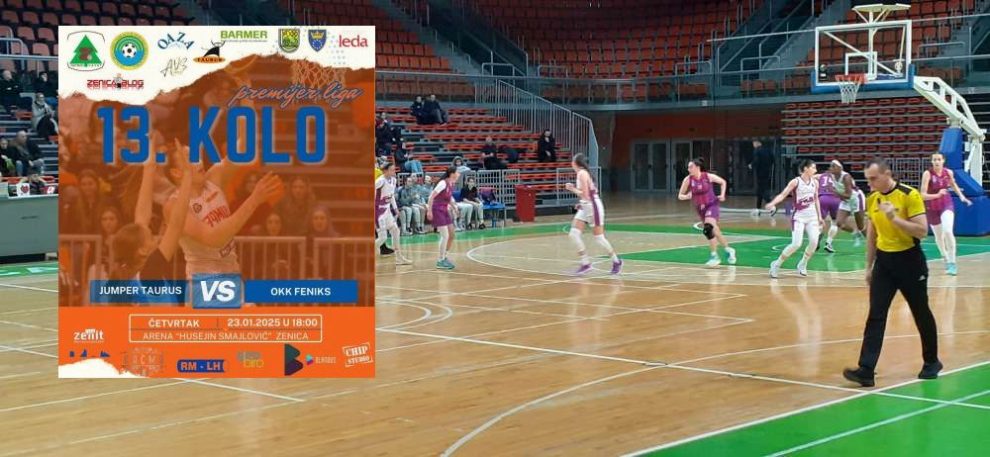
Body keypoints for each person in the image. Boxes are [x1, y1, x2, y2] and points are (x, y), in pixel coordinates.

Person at [843, 158, 941, 387]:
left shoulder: (909, 195)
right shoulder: (872, 199)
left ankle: (932, 362)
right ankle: (866, 369)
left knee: (921, 312)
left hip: (910, 261)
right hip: (884, 263)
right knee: (876, 315)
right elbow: (872, 235)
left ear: (887, 174)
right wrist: (868, 267)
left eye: (874, 179)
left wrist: (894, 219)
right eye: (867, 179)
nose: (870, 183)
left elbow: (922, 231)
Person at [163, 142, 283, 278]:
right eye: (191, 159)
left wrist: (243, 127)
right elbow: (214, 238)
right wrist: (254, 200)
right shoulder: (174, 206)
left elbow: (242, 150)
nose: (199, 161)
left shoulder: (214, 178)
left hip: (231, 273)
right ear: (176, 172)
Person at [564, 153, 622, 275]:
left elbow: (586, 194)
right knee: (573, 234)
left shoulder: (582, 173)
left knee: (599, 238)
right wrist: (581, 204)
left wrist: (572, 188)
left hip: (593, 206)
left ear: (575, 163)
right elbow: (588, 194)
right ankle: (585, 263)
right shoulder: (582, 173)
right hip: (586, 206)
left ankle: (616, 261)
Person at [764, 159, 823, 278]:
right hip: (799, 217)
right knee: (796, 244)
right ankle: (776, 264)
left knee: (814, 242)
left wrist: (820, 216)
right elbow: (783, 194)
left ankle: (803, 263)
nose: (815, 170)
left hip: (812, 217)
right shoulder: (795, 182)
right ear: (805, 168)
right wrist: (772, 203)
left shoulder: (815, 183)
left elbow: (816, 199)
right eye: (813, 167)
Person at [677, 158, 737, 267]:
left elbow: (723, 182)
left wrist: (722, 194)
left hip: (712, 205)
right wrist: (686, 196)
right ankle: (729, 249)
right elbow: (680, 195)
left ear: (697, 167)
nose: (689, 169)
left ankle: (714, 256)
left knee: (708, 228)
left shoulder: (707, 176)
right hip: (701, 209)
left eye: (691, 167)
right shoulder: (688, 180)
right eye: (688, 167)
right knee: (715, 231)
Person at [920, 152, 972, 276]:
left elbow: (954, 185)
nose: (936, 162)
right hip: (932, 207)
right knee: (939, 237)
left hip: (946, 204)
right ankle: (945, 256)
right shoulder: (927, 174)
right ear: (931, 161)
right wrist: (937, 195)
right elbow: (922, 195)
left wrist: (962, 197)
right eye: (934, 160)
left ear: (943, 161)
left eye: (939, 159)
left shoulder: (948, 172)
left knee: (948, 231)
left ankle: (952, 262)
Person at [375, 163, 412, 265]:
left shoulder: (394, 180)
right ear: (385, 171)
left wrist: (395, 209)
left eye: (394, 169)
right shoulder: (380, 181)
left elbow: (391, 196)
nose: (394, 172)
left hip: (387, 210)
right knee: (383, 238)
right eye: (391, 170)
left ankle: (399, 258)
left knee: (395, 230)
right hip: (378, 211)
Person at [427, 167, 460, 269]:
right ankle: (440, 260)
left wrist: (454, 207)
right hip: (437, 209)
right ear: (452, 174)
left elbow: (448, 198)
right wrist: (429, 211)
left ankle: (444, 256)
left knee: (452, 234)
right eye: (457, 172)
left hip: (444, 210)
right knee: (445, 235)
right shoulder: (443, 183)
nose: (459, 174)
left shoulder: (451, 184)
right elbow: (431, 197)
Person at [829, 160, 867, 247]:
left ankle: (873, 244)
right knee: (840, 223)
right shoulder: (832, 176)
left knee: (861, 226)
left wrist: (835, 192)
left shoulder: (846, 177)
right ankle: (855, 233)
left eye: (833, 166)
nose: (831, 168)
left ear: (840, 168)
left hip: (856, 199)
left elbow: (849, 195)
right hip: (845, 200)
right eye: (831, 166)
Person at [816, 169, 842, 253]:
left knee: (820, 221)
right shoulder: (841, 176)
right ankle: (828, 243)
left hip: (823, 198)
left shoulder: (821, 175)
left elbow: (811, 178)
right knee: (834, 222)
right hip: (835, 199)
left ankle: (817, 236)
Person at [749, 139, 774, 211]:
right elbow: (773, 160)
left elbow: (756, 161)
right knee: (761, 189)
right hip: (767, 172)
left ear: (757, 143)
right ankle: (758, 207)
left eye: (754, 143)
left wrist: (751, 165)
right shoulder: (768, 150)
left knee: (762, 190)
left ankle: (770, 203)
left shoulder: (757, 151)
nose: (753, 145)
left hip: (760, 173)